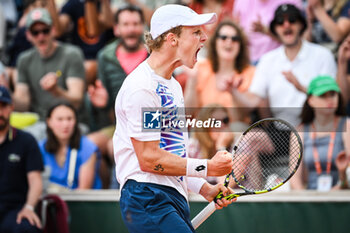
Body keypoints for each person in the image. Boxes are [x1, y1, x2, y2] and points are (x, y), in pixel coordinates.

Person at [113, 4, 235, 232]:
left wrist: (203, 187)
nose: (205, 37)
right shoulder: (143, 87)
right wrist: (208, 167)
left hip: (170, 196)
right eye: (196, 32)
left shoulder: (172, 86)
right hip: (147, 195)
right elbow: (149, 158)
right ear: (172, 39)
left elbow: (169, 153)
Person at [230, 3, 337, 127]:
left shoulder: (323, 55)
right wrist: (233, 91)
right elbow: (254, 100)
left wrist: (301, 88)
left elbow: (333, 100)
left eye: (292, 20)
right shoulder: (267, 60)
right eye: (280, 22)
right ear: (275, 29)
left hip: (315, 128)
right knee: (246, 134)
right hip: (279, 132)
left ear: (301, 24)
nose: (286, 25)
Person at [13, 7, 86, 141]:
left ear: (53, 30)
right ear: (28, 35)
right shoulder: (24, 60)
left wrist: (56, 90)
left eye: (45, 30)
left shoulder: (71, 54)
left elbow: (77, 101)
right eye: (35, 32)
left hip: (70, 122)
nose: (41, 36)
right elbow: (23, 104)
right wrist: (6, 94)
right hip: (40, 123)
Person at [184, 20, 255, 123]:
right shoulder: (201, 68)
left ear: (240, 45)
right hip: (204, 133)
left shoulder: (250, 73)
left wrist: (233, 92)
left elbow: (243, 117)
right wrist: (192, 81)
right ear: (215, 42)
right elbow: (187, 114)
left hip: (236, 134)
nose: (229, 42)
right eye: (223, 37)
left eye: (235, 39)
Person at [290, 76, 350, 191]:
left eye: (332, 94)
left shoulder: (347, 125)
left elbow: (348, 175)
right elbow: (294, 176)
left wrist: (339, 184)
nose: (329, 99)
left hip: (341, 198)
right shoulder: (300, 131)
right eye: (322, 95)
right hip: (309, 199)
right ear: (311, 100)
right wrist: (305, 200)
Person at [0, 86, 44, 233]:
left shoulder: (26, 141)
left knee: (27, 228)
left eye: (3, 106)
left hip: (15, 209)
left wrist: (29, 207)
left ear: (11, 107)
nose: (0, 112)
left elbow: (35, 180)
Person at [47, 0, 114, 85]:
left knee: (90, 67)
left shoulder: (103, 3)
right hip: (80, 57)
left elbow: (97, 29)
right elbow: (57, 31)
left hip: (100, 57)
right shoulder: (73, 4)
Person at [39, 101, 102, 190]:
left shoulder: (87, 148)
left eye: (69, 119)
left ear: (76, 121)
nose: (65, 124)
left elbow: (84, 191)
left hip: (79, 201)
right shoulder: (40, 148)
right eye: (60, 119)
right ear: (49, 122)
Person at [233, 0, 303, 64]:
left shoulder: (291, 1)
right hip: (249, 60)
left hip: (281, 60)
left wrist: (266, 31)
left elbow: (298, 38)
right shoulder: (241, 2)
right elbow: (239, 33)